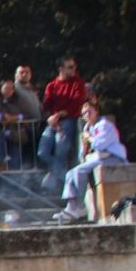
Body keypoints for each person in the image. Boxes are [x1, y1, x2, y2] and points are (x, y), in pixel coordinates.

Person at [54, 101, 128, 223]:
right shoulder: (88, 128)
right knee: (70, 173)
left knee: (79, 171)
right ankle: (71, 207)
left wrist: (88, 137)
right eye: (84, 113)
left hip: (113, 158)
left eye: (89, 111)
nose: (87, 115)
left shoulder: (104, 125)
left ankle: (80, 206)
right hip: (98, 158)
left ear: (96, 112)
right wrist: (84, 147)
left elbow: (100, 144)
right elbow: (82, 154)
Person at [38, 57, 88, 193]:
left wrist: (59, 115)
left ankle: (56, 183)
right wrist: (50, 118)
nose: (73, 70)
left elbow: (77, 103)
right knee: (42, 152)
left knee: (61, 150)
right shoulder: (52, 85)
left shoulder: (78, 83)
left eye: (74, 67)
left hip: (68, 120)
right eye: (70, 67)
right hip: (53, 121)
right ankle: (66, 177)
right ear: (61, 68)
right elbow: (46, 105)